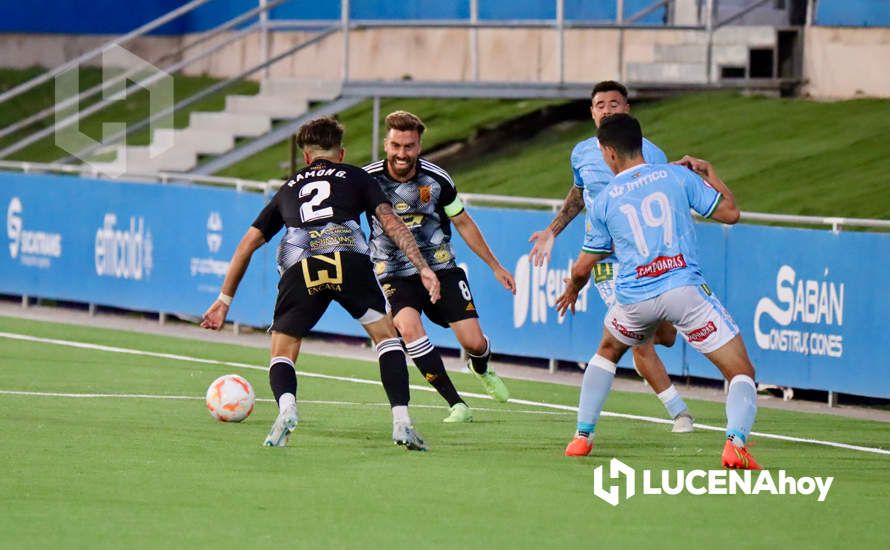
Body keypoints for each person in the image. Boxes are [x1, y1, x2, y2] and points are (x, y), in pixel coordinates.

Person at [201, 116, 440, 451]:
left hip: (301, 264)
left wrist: (224, 299)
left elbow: (248, 244)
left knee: (282, 351)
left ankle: (287, 409)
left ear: (307, 157)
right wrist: (423, 266)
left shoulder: (288, 188)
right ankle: (402, 422)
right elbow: (390, 221)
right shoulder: (356, 176)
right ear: (340, 153)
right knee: (387, 338)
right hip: (348, 259)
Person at [555, 114, 761, 469]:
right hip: (683, 291)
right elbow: (730, 213)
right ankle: (735, 444)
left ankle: (582, 436)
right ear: (641, 143)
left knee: (607, 350)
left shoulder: (604, 201)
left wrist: (573, 288)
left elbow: (583, 266)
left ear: (608, 153)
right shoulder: (676, 175)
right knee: (741, 371)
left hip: (635, 299)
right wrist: (709, 174)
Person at [528, 80, 694, 433]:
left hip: (648, 259)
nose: (606, 110)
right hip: (606, 263)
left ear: (627, 109)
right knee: (639, 339)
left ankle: (662, 335)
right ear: (591, 112)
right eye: (599, 104)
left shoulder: (651, 152)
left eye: (614, 104)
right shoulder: (582, 152)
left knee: (663, 336)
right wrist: (552, 230)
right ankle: (680, 414)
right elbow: (578, 194)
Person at [364, 110, 515, 423]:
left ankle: (481, 367)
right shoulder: (368, 180)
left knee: (473, 342)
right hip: (394, 273)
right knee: (407, 327)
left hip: (442, 268)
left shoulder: (437, 180)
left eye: (408, 146)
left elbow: (462, 221)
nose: (401, 153)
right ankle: (456, 403)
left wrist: (494, 265)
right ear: (386, 144)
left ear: (419, 146)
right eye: (395, 146)